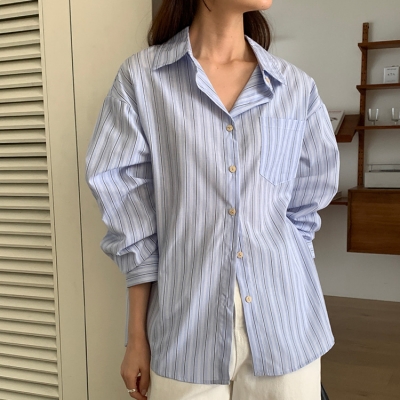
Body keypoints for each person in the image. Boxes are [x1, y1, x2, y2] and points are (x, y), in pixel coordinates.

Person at [85, 0, 340, 399]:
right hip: (186, 334)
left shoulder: (295, 87)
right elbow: (132, 222)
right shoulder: (142, 81)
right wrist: (136, 338)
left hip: (286, 328)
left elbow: (304, 210)